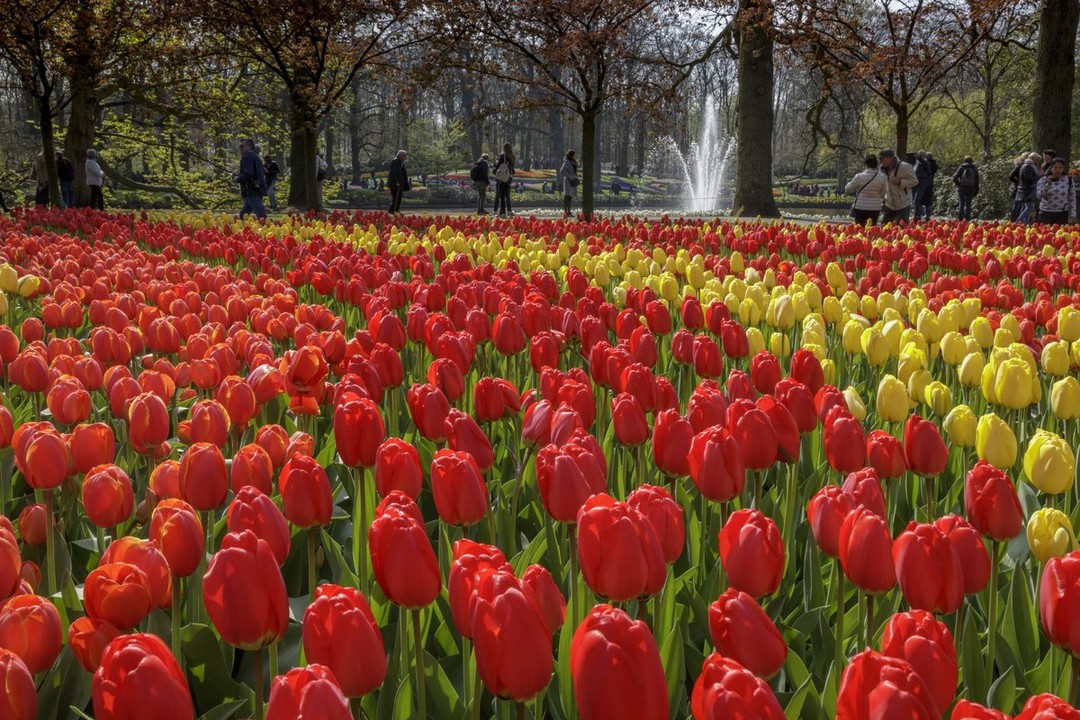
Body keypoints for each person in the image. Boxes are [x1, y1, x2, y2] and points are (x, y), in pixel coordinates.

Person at [845, 154, 888, 226]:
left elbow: (847, 189)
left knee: (859, 229)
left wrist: (849, 183)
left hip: (860, 207)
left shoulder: (859, 176)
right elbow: (882, 194)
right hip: (875, 207)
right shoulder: (882, 178)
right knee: (872, 229)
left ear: (866, 164)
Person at [878, 149, 918, 223]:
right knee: (884, 226)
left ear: (889, 158)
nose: (880, 161)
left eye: (881, 159)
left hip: (903, 204)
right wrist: (882, 200)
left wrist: (900, 181)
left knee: (901, 227)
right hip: (889, 203)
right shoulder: (882, 169)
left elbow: (914, 181)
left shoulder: (905, 166)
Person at [1036, 157, 1077, 225]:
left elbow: (1072, 198)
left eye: (1060, 168)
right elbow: (1038, 196)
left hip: (1062, 214)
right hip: (1045, 213)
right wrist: (1047, 185)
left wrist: (1073, 214)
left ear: (1063, 168)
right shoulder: (1043, 180)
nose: (1058, 170)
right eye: (1055, 167)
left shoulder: (1068, 180)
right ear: (1051, 168)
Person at [235, 138, 267, 220]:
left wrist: (238, 178)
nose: (240, 148)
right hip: (257, 187)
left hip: (251, 189)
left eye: (242, 146)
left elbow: (248, 173)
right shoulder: (255, 156)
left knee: (261, 214)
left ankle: (267, 226)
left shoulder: (247, 157)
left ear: (249, 146)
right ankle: (239, 224)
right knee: (244, 212)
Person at [1010, 152, 1041, 224]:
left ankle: (1024, 223)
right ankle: (1018, 222)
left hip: (1024, 189)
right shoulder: (1027, 166)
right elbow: (1028, 179)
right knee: (1028, 208)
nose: (1038, 162)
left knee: (1024, 207)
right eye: (1037, 160)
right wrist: (1039, 176)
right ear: (1033, 159)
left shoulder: (1027, 166)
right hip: (1026, 190)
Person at [952, 156, 980, 221]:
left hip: (962, 188)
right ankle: (968, 220)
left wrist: (959, 184)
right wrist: (976, 189)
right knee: (968, 204)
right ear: (971, 161)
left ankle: (960, 220)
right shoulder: (974, 168)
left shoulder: (961, 167)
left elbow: (955, 178)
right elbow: (977, 180)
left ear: (964, 160)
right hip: (971, 188)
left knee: (961, 204)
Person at [912, 151, 937, 221]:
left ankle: (919, 216)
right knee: (916, 201)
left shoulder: (926, 162)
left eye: (921, 155)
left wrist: (919, 158)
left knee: (918, 201)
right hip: (916, 182)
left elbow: (924, 164)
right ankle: (918, 216)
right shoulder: (916, 163)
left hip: (923, 183)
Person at [493, 142, 515, 217]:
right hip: (509, 178)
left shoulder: (503, 156)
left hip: (502, 178)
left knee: (502, 196)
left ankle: (502, 212)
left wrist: (495, 169)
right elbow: (512, 169)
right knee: (507, 195)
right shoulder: (512, 156)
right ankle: (509, 210)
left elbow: (498, 166)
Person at [387, 150, 409, 214]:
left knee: (399, 198)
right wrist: (396, 181)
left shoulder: (402, 163)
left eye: (405, 156)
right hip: (394, 183)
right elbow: (393, 172)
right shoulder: (395, 162)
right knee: (395, 197)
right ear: (399, 155)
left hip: (401, 183)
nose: (405, 157)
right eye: (404, 156)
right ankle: (392, 210)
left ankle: (396, 210)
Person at [560, 149, 580, 218]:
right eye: (573, 155)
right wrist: (569, 176)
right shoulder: (567, 162)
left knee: (570, 196)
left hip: (573, 180)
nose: (574, 156)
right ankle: (565, 212)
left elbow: (578, 166)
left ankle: (569, 211)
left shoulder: (573, 161)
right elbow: (562, 170)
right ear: (570, 155)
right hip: (568, 181)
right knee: (567, 196)